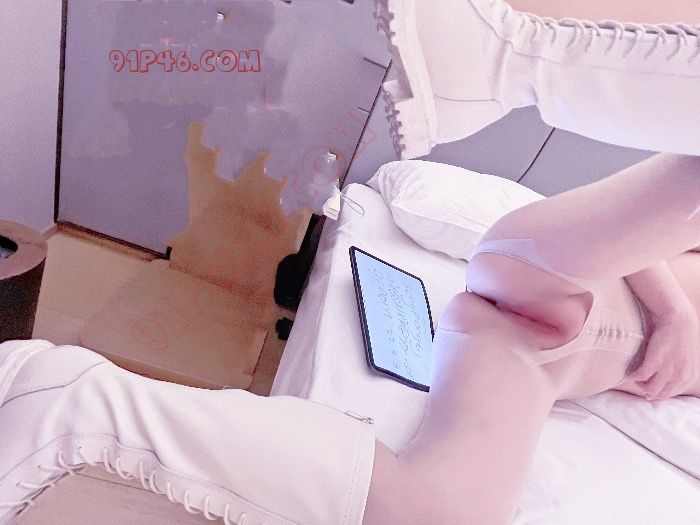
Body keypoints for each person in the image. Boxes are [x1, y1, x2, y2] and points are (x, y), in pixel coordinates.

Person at [2, 3, 699, 525]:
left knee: (433, 513)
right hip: (562, 275)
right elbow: (650, 240)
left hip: (529, 358)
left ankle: (74, 404)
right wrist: (673, 313)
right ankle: (500, 53)